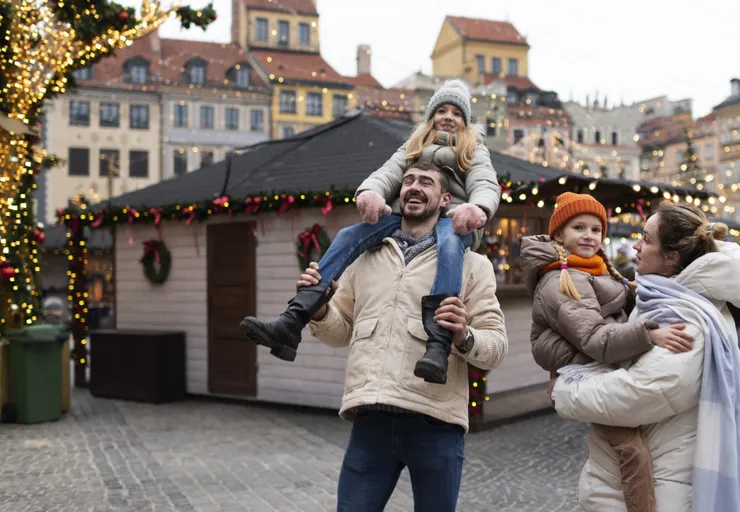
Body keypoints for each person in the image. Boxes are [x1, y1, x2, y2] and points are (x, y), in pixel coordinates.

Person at [240, 80, 500, 384]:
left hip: (455, 219)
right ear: (431, 117)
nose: (448, 117)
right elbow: (388, 173)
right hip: (404, 217)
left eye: (457, 113)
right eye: (441, 110)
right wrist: (371, 193)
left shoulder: (472, 148)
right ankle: (293, 318)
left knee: (451, 245)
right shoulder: (414, 145)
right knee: (349, 235)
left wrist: (477, 208)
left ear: (465, 121)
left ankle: (438, 343)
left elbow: (485, 182)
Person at [300, 162, 508, 512]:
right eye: (408, 180)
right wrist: (320, 311)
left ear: (445, 199)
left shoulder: (474, 266)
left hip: (435, 423)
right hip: (370, 420)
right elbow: (341, 332)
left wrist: (463, 336)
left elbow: (496, 348)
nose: (414, 186)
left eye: (426, 182)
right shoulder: (364, 258)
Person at [549, 202, 740, 512]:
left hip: (660, 481)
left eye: (646, 239)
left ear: (671, 257)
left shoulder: (685, 317)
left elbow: (642, 392)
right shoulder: (667, 299)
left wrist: (565, 390)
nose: (636, 246)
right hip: (645, 471)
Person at [520, 193, 695, 512]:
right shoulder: (562, 279)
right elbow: (594, 337)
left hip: (599, 367)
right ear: (559, 234)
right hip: (582, 372)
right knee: (633, 452)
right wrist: (648, 334)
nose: (589, 235)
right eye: (579, 228)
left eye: (596, 229)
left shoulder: (595, 268)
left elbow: (620, 303)